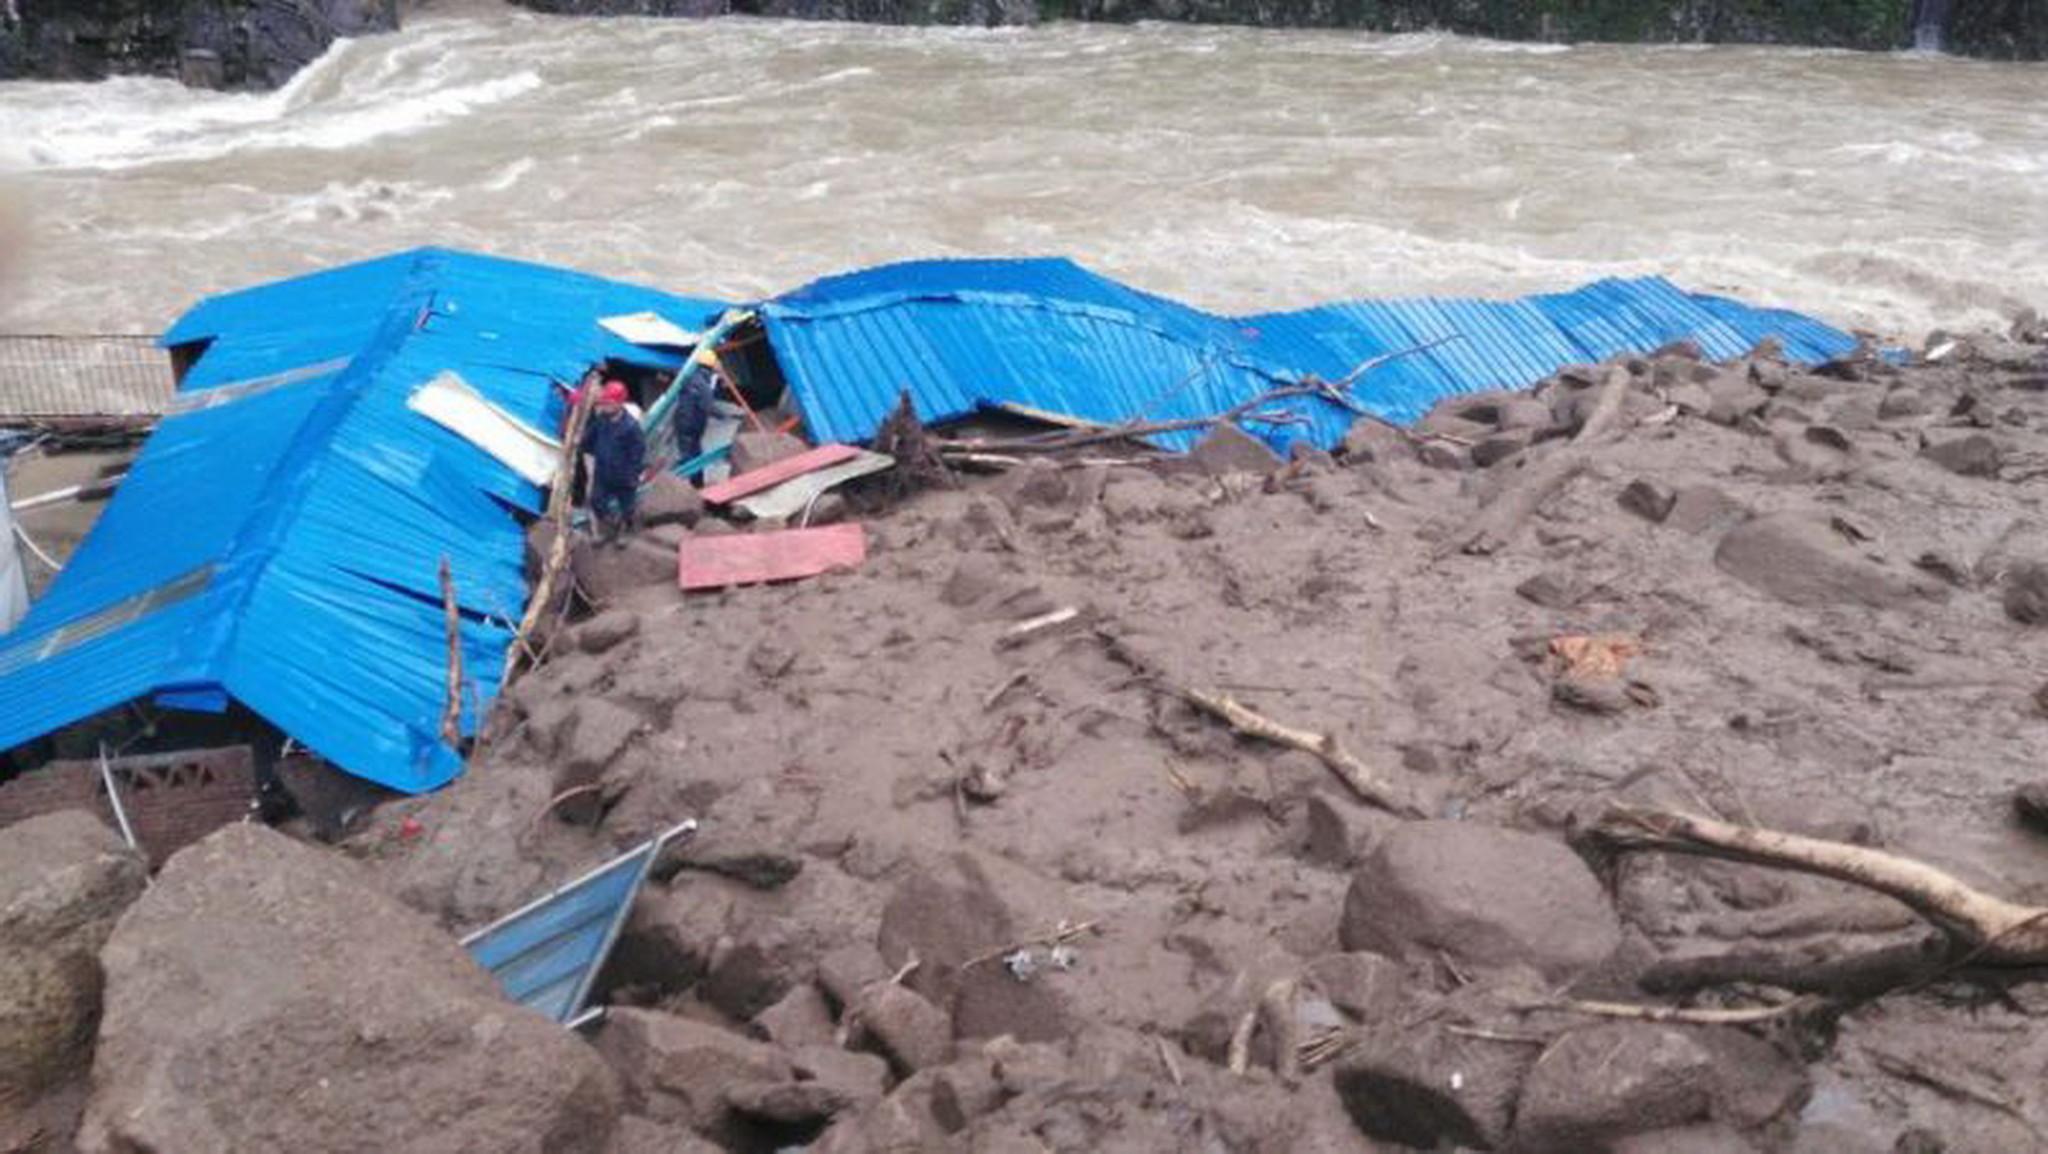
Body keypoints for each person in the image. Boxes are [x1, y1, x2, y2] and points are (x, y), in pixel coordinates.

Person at [581, 381, 646, 548]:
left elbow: (637, 453)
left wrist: (633, 474)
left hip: (623, 475)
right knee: (596, 501)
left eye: (609, 403)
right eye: (604, 403)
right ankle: (612, 524)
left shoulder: (631, 427)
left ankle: (624, 531)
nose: (605, 406)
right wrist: (583, 445)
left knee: (627, 507)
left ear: (619, 403)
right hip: (603, 472)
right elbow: (589, 439)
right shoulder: (602, 420)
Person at [670, 360, 718, 478]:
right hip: (693, 424)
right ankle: (694, 483)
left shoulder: (688, 377)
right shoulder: (703, 384)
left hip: (682, 421)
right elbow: (709, 406)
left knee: (687, 452)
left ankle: (693, 482)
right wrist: (723, 415)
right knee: (693, 454)